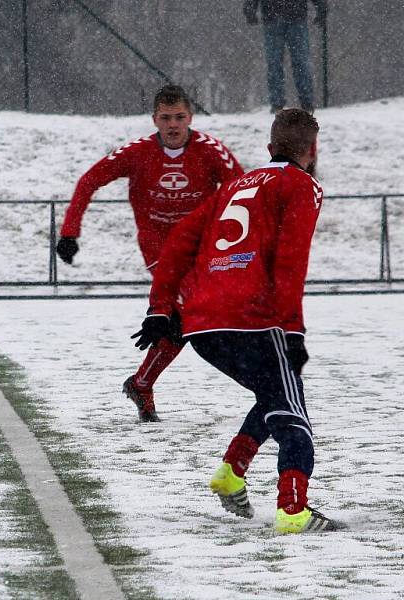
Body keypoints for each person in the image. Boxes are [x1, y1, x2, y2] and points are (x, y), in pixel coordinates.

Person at [132, 109, 338, 534]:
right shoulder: (302, 186)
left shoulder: (231, 187)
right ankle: (294, 510)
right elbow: (290, 262)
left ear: (269, 148)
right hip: (254, 320)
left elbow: (177, 246)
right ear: (311, 150)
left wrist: (160, 307)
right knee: (292, 415)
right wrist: (293, 329)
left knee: (274, 394)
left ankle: (231, 473)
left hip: (203, 324)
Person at [56, 85, 244, 422]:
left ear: (190, 117)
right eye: (166, 118)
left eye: (180, 117)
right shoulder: (137, 152)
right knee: (190, 311)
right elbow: (89, 180)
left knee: (182, 323)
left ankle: (142, 383)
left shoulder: (212, 151)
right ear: (154, 119)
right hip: (159, 247)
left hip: (201, 246)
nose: (173, 125)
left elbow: (243, 192)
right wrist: (70, 232)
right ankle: (146, 381)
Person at [243, 0, 328, 113]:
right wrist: (321, 8)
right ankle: (305, 102)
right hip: (293, 16)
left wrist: (250, 8)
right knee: (298, 62)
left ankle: (279, 103)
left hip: (275, 16)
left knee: (277, 63)